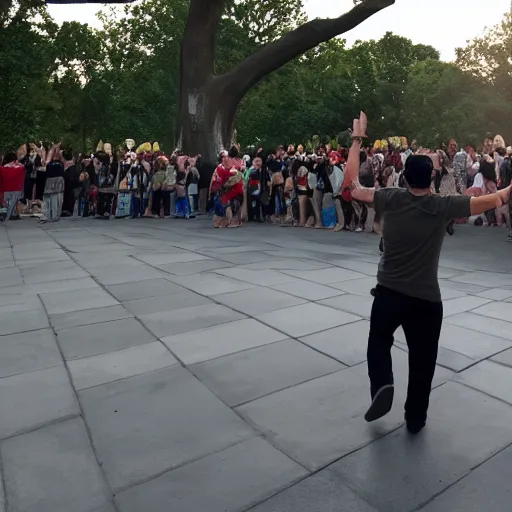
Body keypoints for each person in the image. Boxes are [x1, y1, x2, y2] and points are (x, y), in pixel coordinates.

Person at [345, 112, 512, 435]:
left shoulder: (389, 198)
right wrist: (507, 190)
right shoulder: (442, 206)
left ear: (404, 178)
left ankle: (382, 383)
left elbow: (352, 187)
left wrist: (357, 139)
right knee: (423, 360)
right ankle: (415, 417)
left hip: (389, 292)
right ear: (431, 179)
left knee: (378, 342)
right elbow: (496, 199)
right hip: (425, 299)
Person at [40, 143, 65, 223]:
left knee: (55, 199)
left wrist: (54, 148)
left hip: (55, 182)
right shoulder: (50, 162)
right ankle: (51, 215)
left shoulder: (60, 162)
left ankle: (52, 215)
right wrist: (54, 148)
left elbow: (57, 155)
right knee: (52, 199)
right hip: (52, 181)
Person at [0, 152, 25, 222]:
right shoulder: (20, 169)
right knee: (15, 199)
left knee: (7, 203)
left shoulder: (2, 169)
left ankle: (7, 213)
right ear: (15, 160)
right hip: (16, 190)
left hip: (4, 191)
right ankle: (13, 213)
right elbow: (22, 168)